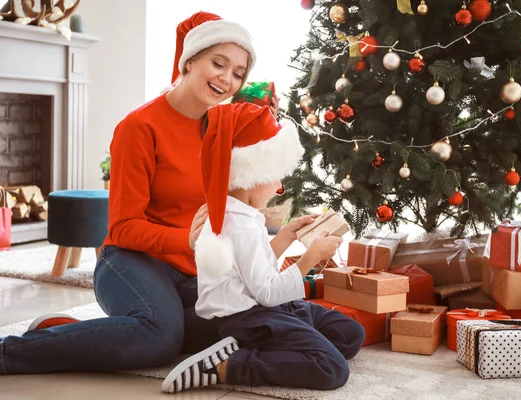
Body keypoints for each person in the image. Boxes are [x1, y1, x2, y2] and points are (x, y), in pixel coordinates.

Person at [0, 11, 310, 375]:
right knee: (160, 337)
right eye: (218, 63)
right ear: (190, 60)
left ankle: (70, 333)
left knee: (244, 321)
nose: (227, 79)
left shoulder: (225, 128)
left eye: (238, 73)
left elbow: (255, 178)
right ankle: (10, 354)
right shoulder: (139, 127)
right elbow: (125, 227)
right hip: (130, 260)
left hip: (194, 270)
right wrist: (190, 240)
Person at [160, 99, 365, 394]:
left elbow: (251, 270)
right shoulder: (239, 223)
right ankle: (227, 366)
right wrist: (309, 258)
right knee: (331, 368)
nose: (279, 186)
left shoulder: (241, 213)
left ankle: (280, 347)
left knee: (350, 335)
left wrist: (284, 238)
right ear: (251, 174)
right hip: (249, 317)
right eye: (276, 176)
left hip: (267, 305)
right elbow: (266, 292)